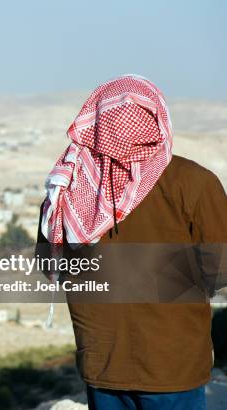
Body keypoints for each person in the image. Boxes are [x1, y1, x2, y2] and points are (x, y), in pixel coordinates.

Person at [36, 75, 227, 410]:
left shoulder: (70, 184)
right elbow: (221, 271)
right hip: (174, 363)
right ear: (157, 118)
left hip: (103, 360)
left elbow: (50, 264)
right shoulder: (193, 182)